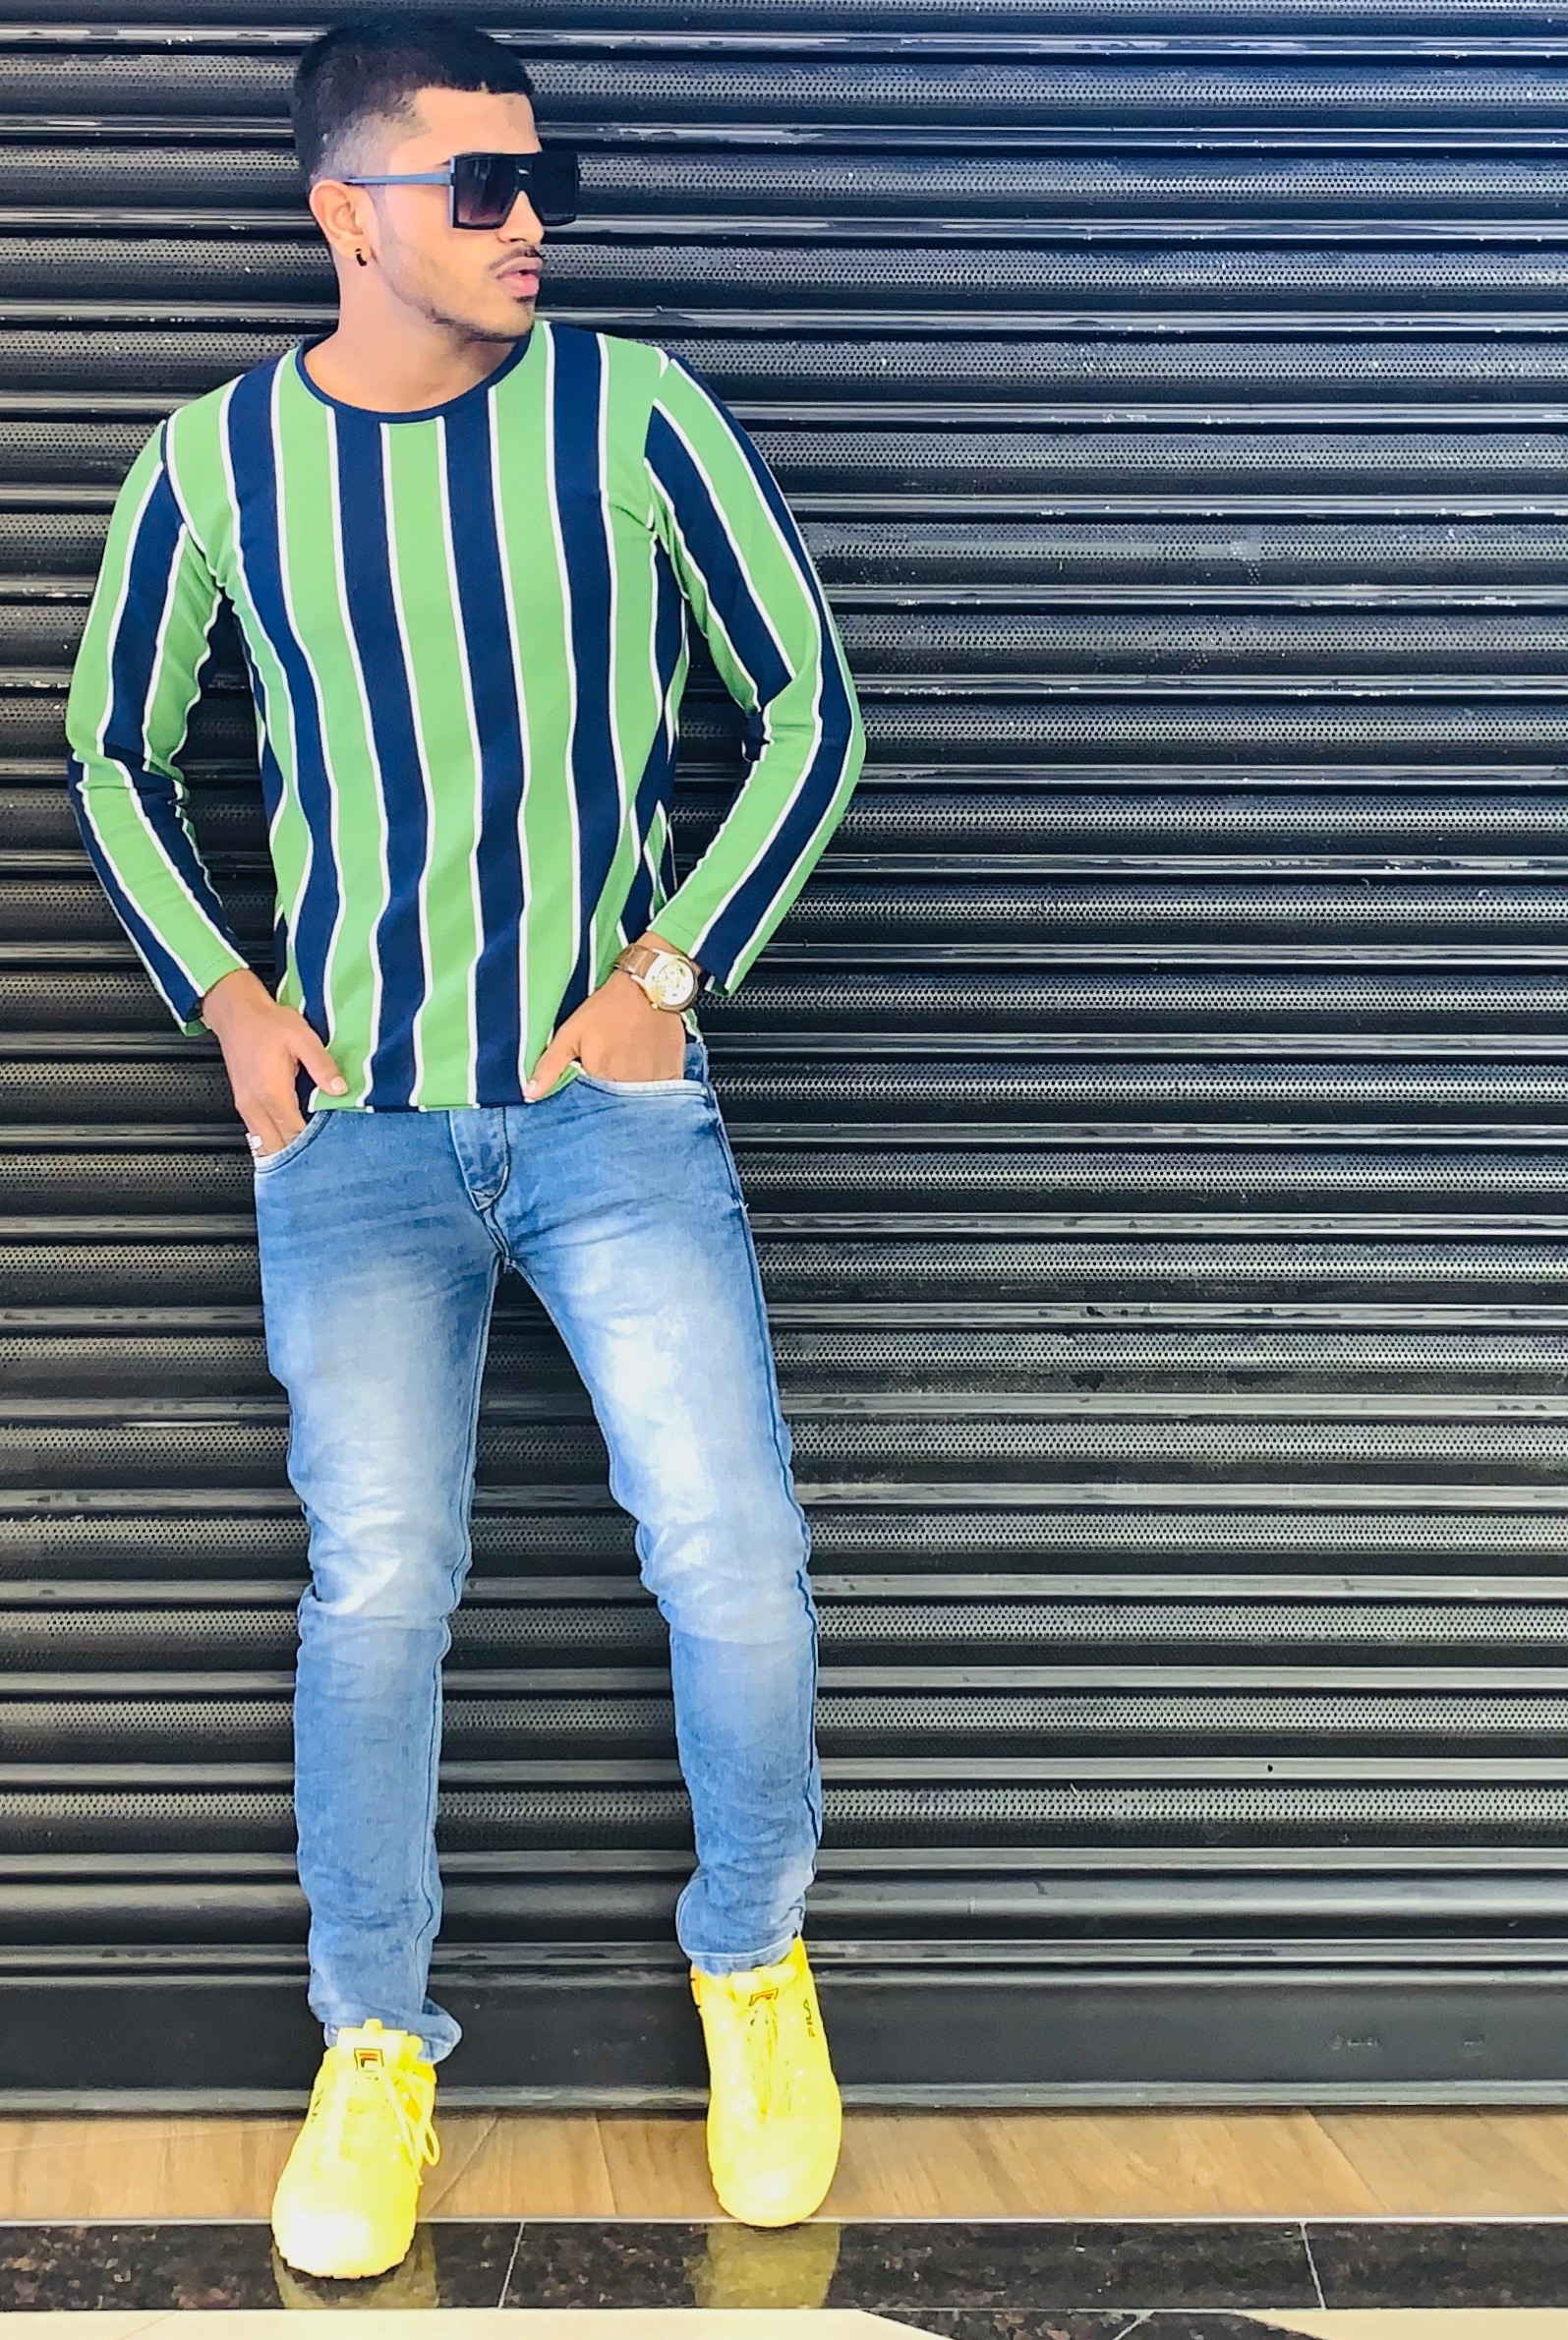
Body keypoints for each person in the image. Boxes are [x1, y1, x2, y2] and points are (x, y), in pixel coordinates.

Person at [63, 13, 863, 2278]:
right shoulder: (214, 463)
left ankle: (753, 1968)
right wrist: (224, 995)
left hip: (610, 1114)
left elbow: (810, 709)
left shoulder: (635, 414)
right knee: (379, 1587)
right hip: (355, 1138)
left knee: (730, 1555)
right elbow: (112, 746)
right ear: (347, 212)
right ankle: (371, 2042)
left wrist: (668, 973)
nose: (534, 224)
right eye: (483, 187)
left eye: (545, 182)